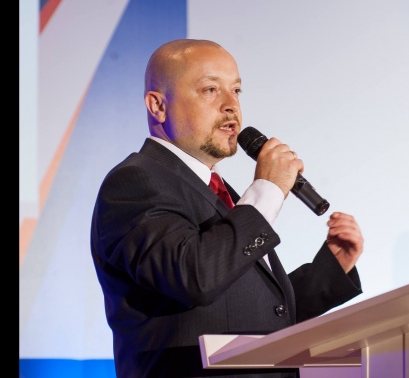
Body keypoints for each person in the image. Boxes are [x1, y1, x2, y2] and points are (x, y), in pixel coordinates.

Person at [90, 39, 364, 378]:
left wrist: (331, 269)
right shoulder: (134, 182)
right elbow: (194, 276)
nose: (231, 105)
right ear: (158, 106)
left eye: (236, 90)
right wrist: (267, 190)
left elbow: (259, 315)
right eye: (210, 90)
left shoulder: (219, 191)